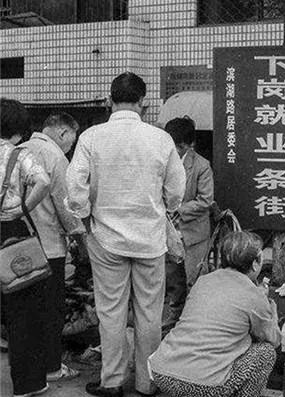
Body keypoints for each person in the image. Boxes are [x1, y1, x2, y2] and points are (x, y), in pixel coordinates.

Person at [66, 72, 186, 397]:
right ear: (143, 102)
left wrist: (85, 214)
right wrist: (165, 207)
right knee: (149, 311)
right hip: (149, 239)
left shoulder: (91, 137)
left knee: (110, 310)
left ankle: (112, 381)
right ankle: (148, 383)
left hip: (106, 239)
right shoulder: (160, 139)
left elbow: (74, 186)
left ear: (109, 100)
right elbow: (176, 189)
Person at [149, 231, 281, 397]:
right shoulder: (255, 295)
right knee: (266, 353)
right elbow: (273, 340)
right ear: (256, 263)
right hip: (204, 385)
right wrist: (271, 313)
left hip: (162, 372)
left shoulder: (203, 281)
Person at [21, 112, 86, 382]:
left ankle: (27, 364)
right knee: (52, 309)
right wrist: (79, 236)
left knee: (25, 308)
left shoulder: (18, 151)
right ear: (62, 133)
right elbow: (64, 204)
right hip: (49, 247)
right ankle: (51, 367)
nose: (71, 146)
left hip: (20, 244)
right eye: (71, 140)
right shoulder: (55, 157)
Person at [0, 98, 51, 397]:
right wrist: (21, 208)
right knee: (23, 313)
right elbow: (42, 182)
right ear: (18, 128)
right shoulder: (19, 155)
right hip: (11, 233)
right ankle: (28, 384)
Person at [162, 117, 214, 334]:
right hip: (168, 231)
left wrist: (175, 208)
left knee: (195, 280)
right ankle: (174, 318)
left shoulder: (201, 165)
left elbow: (206, 200)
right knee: (173, 280)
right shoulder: (162, 162)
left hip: (193, 235)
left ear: (183, 145)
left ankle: (195, 325)